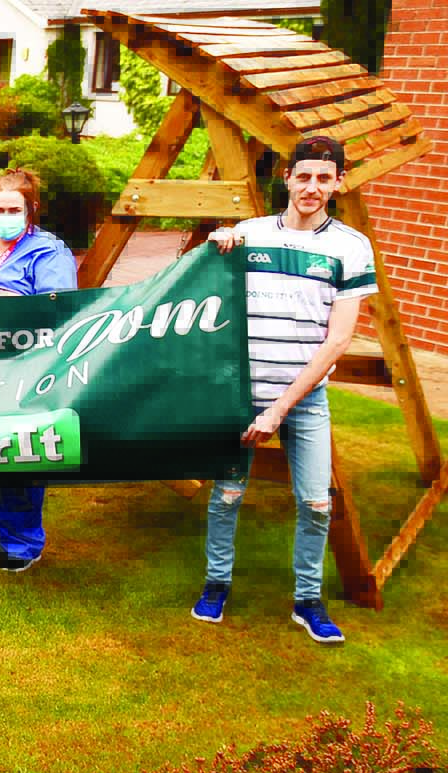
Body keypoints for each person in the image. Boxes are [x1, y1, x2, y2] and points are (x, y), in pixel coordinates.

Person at [193, 135, 376, 644]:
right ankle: (216, 583)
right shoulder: (249, 234)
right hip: (241, 395)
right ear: (288, 178)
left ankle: (308, 601)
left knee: (317, 503)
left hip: (304, 399)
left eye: (324, 178)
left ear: (338, 183)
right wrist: (219, 241)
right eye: (304, 176)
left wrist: (279, 408)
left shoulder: (351, 247)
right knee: (227, 495)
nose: (312, 187)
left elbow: (338, 339)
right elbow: (208, 286)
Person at [0, 167, 78, 572]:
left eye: (13, 210)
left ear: (31, 211)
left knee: (23, 450)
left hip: (30, 366)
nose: (4, 216)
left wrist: (2, 295)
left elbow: (60, 308)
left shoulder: (50, 252)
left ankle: (22, 541)